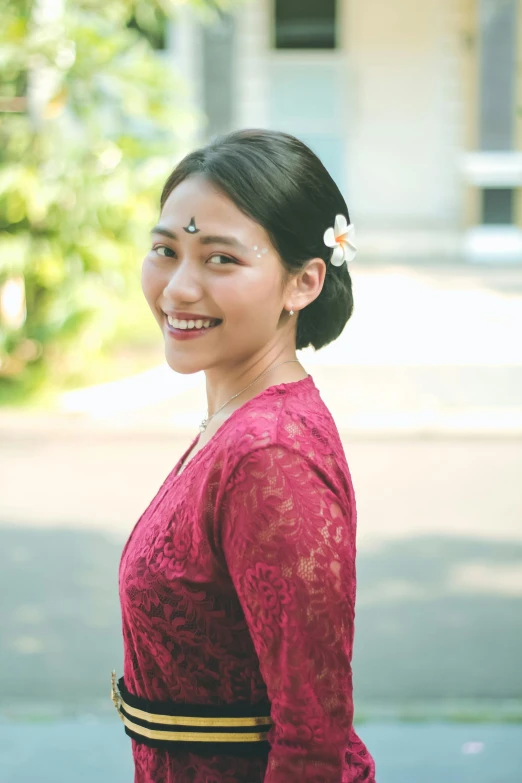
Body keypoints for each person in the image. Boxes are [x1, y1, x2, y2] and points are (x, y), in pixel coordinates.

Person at [114, 128, 376, 783]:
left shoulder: (269, 454)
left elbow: (312, 742)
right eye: (165, 250)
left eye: (220, 259)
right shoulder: (235, 425)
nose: (177, 288)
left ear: (304, 282)